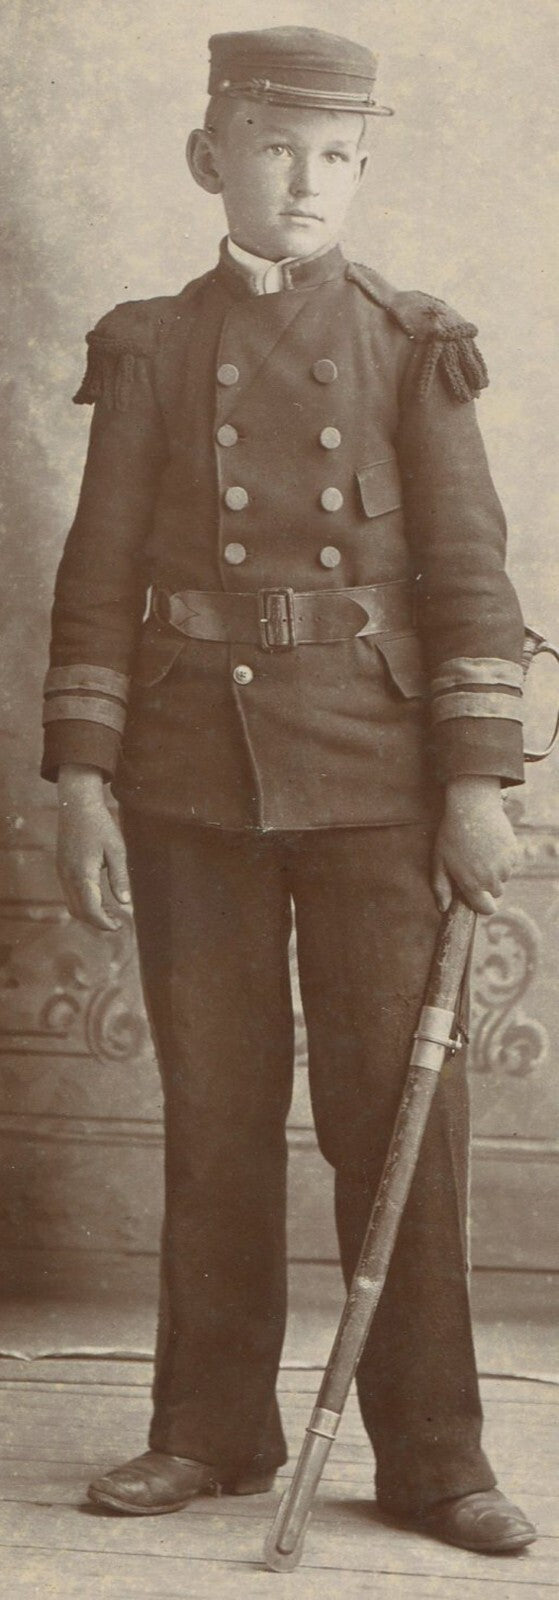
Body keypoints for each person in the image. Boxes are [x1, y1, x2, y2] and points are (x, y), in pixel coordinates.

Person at [42, 27, 536, 1554]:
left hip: (382, 793)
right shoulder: (150, 346)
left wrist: (478, 788)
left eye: (334, 153)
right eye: (273, 147)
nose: (305, 180)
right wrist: (79, 777)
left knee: (400, 1121)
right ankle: (207, 1429)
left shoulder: (410, 343)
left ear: (364, 165)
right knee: (218, 1108)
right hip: (194, 784)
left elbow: (469, 584)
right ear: (213, 159)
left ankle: (437, 1453)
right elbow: (96, 579)